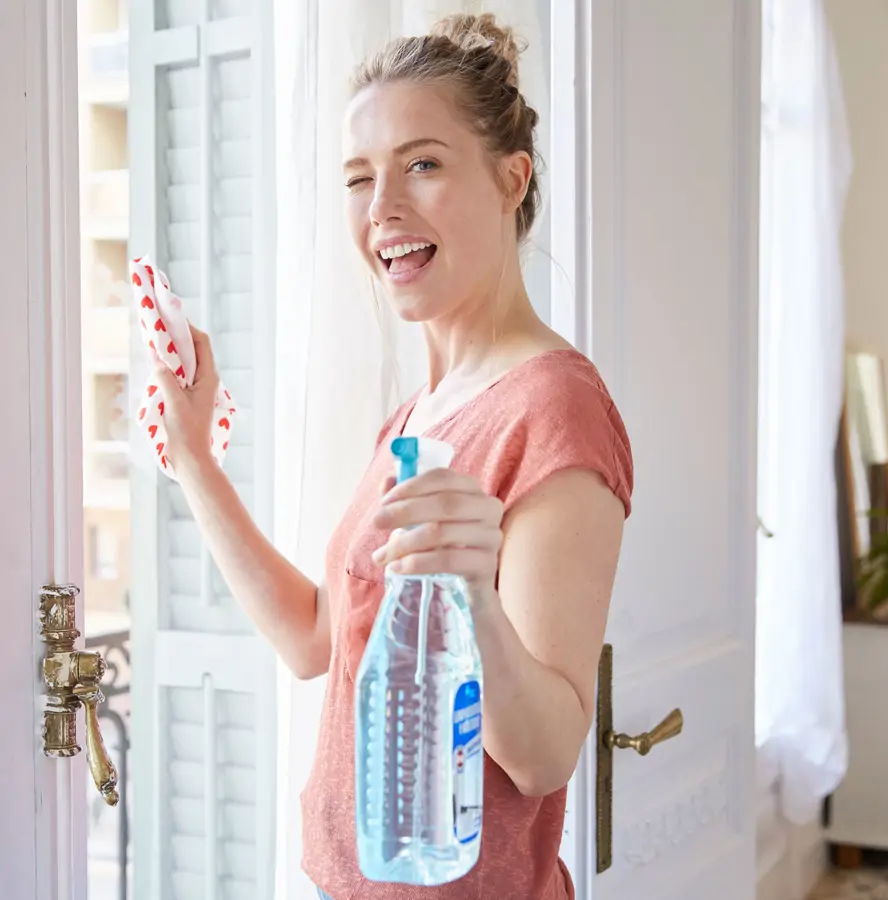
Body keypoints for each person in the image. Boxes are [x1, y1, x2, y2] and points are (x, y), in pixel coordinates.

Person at [153, 13, 633, 900]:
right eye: (358, 178)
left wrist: (474, 603)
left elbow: (542, 756)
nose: (382, 210)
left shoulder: (555, 408)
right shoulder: (417, 417)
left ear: (510, 178)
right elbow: (314, 640)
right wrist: (194, 461)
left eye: (422, 164)